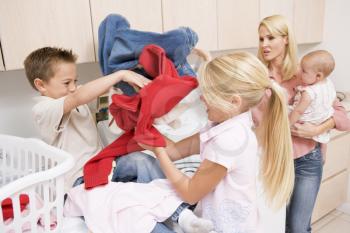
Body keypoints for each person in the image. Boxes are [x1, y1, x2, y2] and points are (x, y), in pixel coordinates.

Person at [138, 51, 295, 233]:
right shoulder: (220, 125)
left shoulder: (229, 140)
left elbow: (190, 193)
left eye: (208, 93)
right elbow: (174, 150)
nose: (202, 97)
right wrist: (145, 129)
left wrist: (157, 151)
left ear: (234, 101)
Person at [257, 15, 350, 233]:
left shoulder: (307, 74)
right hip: (272, 161)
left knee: (298, 228)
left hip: (307, 160)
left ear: (286, 39)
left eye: (270, 38)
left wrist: (317, 129)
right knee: (273, 226)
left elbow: (343, 119)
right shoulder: (258, 77)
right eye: (261, 39)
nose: (264, 45)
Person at [24, 47, 151, 192]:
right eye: (66, 83)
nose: (73, 87)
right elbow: (78, 97)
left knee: (142, 161)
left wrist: (135, 74)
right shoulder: (43, 109)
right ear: (41, 85)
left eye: (75, 81)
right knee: (120, 191)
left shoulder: (75, 95)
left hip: (103, 167)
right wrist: (120, 74)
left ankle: (170, 202)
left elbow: (97, 89)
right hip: (79, 180)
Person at [289, 50, 336, 143]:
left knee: (288, 110)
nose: (300, 72)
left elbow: (299, 111)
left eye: (303, 71)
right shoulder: (329, 83)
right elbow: (333, 99)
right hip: (323, 118)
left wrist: (288, 124)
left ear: (318, 76)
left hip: (308, 121)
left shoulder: (309, 92)